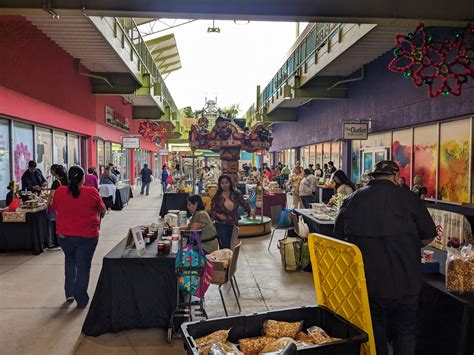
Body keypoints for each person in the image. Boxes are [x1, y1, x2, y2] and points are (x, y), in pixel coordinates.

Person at [334, 160, 436, 355]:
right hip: (406, 281)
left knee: (375, 331)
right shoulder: (410, 199)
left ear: (373, 176)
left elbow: (338, 239)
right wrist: (409, 243)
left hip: (369, 283)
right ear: (396, 177)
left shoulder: (353, 199)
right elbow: (429, 234)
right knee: (405, 331)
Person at [52, 166, 106, 309]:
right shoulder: (91, 192)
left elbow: (56, 208)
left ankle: (69, 292)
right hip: (87, 236)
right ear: (83, 179)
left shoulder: (59, 191)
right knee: (83, 266)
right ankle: (81, 299)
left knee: (70, 260)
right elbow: (103, 209)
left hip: (64, 236)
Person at [211, 175, 251, 249]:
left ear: (230, 183)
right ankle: (225, 259)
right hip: (221, 224)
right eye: (222, 183)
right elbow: (212, 211)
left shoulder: (236, 194)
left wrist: (250, 211)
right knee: (225, 245)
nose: (224, 185)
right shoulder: (217, 197)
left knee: (232, 244)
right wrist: (219, 216)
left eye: (226, 182)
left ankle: (231, 260)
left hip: (233, 222)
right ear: (219, 184)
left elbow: (244, 203)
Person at [48, 164, 69, 250]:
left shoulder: (56, 182)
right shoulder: (66, 180)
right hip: (65, 205)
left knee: (55, 224)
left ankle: (56, 243)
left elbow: (52, 196)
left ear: (54, 171)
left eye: (51, 170)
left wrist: (48, 206)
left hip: (56, 206)